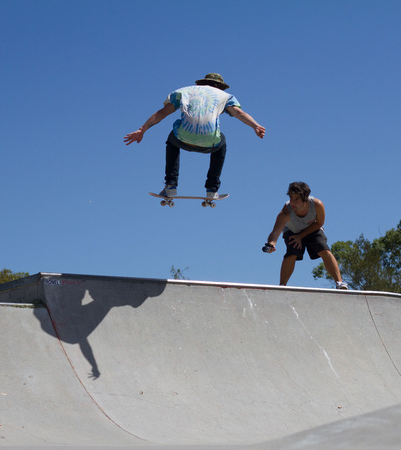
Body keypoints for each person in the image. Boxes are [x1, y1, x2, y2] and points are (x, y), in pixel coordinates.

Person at [124, 73, 265, 199]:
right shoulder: (225, 96)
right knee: (222, 143)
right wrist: (255, 126)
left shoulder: (184, 91)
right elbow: (239, 113)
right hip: (211, 142)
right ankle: (212, 189)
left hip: (182, 139)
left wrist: (142, 130)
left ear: (201, 84)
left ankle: (170, 186)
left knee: (172, 139)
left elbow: (162, 113)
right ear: (220, 87)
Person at [263, 182, 349, 289]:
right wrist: (271, 244)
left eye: (297, 199)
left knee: (323, 249)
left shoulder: (317, 205)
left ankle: (339, 282)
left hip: (312, 228)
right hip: (292, 231)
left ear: (305, 199)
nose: (292, 202)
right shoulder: (286, 212)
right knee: (292, 251)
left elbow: (319, 223)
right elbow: (275, 232)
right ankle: (282, 286)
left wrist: (301, 236)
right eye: (291, 198)